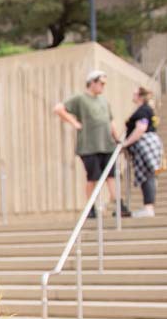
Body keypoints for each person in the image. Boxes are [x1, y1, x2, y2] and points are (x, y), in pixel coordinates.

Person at [54, 70, 129, 217]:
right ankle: (91, 208)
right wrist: (74, 123)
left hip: (107, 144)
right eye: (101, 83)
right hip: (89, 146)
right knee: (93, 177)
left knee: (111, 175)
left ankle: (119, 205)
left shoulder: (104, 101)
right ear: (92, 83)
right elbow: (58, 108)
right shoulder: (80, 99)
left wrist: (117, 138)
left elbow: (110, 121)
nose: (103, 86)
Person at [121, 86, 164, 218]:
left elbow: (141, 128)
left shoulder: (143, 110)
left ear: (139, 96)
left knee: (148, 174)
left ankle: (149, 207)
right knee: (148, 174)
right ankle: (148, 207)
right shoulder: (144, 110)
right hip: (145, 143)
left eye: (135, 93)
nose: (132, 96)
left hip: (145, 143)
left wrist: (126, 143)